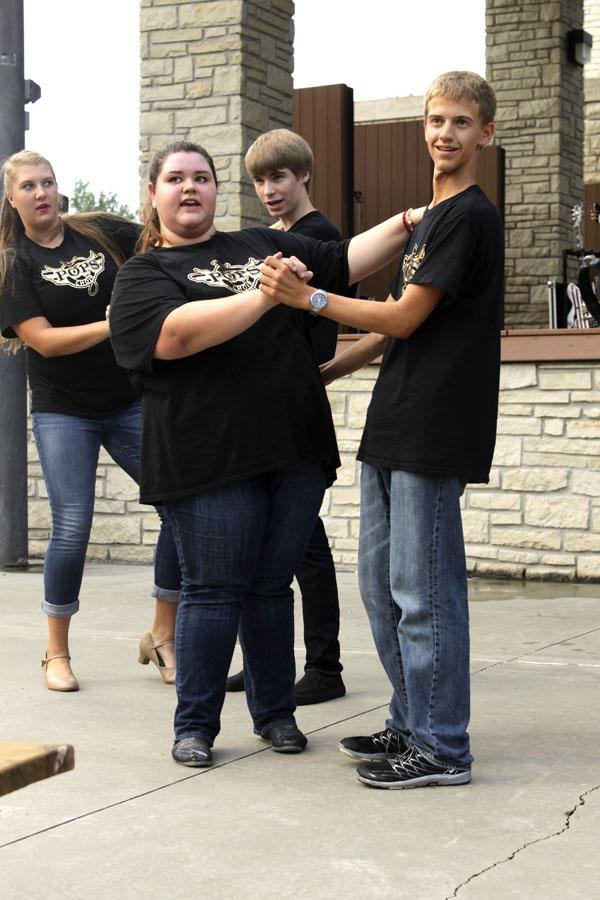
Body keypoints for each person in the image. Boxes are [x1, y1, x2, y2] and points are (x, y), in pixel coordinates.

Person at [108, 140, 424, 768]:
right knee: (214, 590)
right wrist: (268, 296)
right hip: (209, 458)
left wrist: (415, 220)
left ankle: (276, 714)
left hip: (294, 446)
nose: (190, 188)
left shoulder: (258, 244)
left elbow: (341, 259)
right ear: (154, 193)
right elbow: (173, 337)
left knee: (271, 587)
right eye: (175, 179)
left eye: (202, 177)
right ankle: (195, 725)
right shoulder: (143, 274)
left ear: (216, 190)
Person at [259, 71, 504, 789]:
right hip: (393, 422)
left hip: (435, 428)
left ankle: (443, 746)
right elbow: (395, 322)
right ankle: (410, 720)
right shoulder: (431, 217)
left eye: (461, 122)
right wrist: (328, 372)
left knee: (425, 593)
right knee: (378, 585)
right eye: (435, 120)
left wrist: (311, 298)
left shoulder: (470, 217)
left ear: (484, 133)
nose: (444, 134)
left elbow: (401, 316)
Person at [0, 150, 181, 692]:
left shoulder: (98, 233)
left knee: (178, 501)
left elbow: (158, 231)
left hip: (127, 398)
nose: (41, 193)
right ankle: (56, 652)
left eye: (48, 182)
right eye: (28, 186)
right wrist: (113, 326)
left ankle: (162, 636)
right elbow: (44, 342)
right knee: (73, 526)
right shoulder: (13, 263)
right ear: (12, 199)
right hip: (63, 410)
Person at [225, 128, 345, 705]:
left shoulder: (317, 238)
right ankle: (269, 662)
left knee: (304, 549)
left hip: (294, 418)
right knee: (275, 548)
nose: (269, 189)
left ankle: (324, 667)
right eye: (259, 180)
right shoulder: (273, 239)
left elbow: (323, 338)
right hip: (267, 414)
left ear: (303, 176)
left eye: (279, 177)